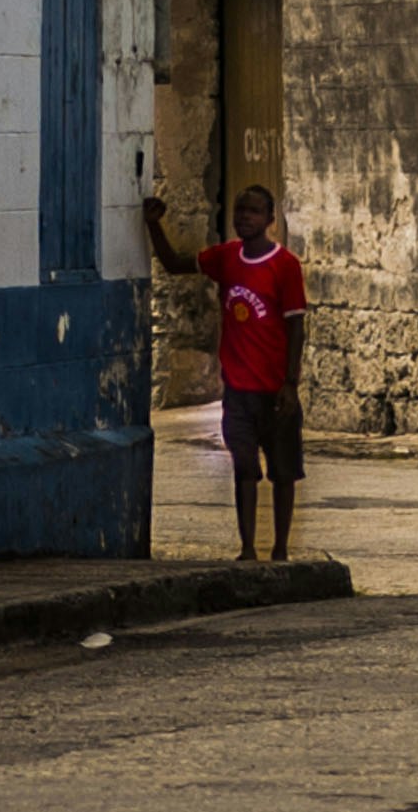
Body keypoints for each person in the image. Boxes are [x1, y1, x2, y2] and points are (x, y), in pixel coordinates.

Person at [145, 183, 308, 560]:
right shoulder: (226, 258)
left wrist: (290, 383)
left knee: (283, 473)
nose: (244, 218)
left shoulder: (285, 267)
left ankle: (281, 549)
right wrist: (154, 226)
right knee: (244, 468)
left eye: (253, 211)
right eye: (239, 210)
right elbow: (175, 264)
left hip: (275, 390)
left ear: (269, 219)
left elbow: (295, 327)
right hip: (238, 390)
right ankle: (248, 547)